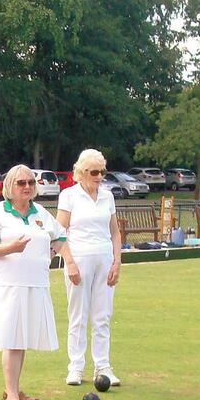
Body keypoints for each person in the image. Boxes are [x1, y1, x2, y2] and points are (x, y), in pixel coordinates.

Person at [0, 164, 77, 400]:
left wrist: (59, 258)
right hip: (7, 284)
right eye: (21, 183)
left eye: (31, 182)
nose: (27, 187)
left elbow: (60, 237)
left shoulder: (40, 212)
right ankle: (12, 397)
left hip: (36, 283)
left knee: (21, 338)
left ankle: (12, 389)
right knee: (11, 339)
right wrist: (10, 249)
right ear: (9, 186)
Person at [56, 149, 121, 386]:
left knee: (102, 316)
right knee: (78, 316)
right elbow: (59, 232)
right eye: (94, 172)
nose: (99, 176)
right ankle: (75, 367)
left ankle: (102, 366)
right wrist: (70, 262)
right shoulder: (69, 196)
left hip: (104, 259)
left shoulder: (107, 196)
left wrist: (117, 261)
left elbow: (115, 232)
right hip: (79, 260)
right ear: (81, 172)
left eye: (102, 172)